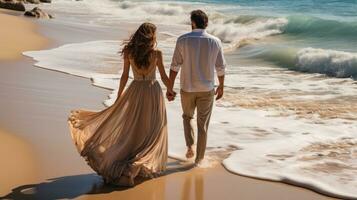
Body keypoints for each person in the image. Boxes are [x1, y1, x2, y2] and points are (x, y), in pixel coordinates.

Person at [68, 22, 174, 186]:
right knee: (152, 131)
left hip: (135, 90)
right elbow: (164, 77)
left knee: (134, 128)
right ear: (151, 37)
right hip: (153, 92)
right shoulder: (157, 54)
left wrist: (119, 96)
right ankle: (135, 166)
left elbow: (125, 76)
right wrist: (171, 89)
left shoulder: (129, 52)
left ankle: (132, 163)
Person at [168, 10, 226, 165]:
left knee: (187, 117)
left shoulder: (182, 40)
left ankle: (190, 146)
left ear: (193, 22)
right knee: (203, 125)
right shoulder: (215, 41)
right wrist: (221, 86)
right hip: (207, 89)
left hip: (187, 88)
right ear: (206, 23)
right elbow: (220, 67)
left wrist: (169, 87)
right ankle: (199, 159)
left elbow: (175, 66)